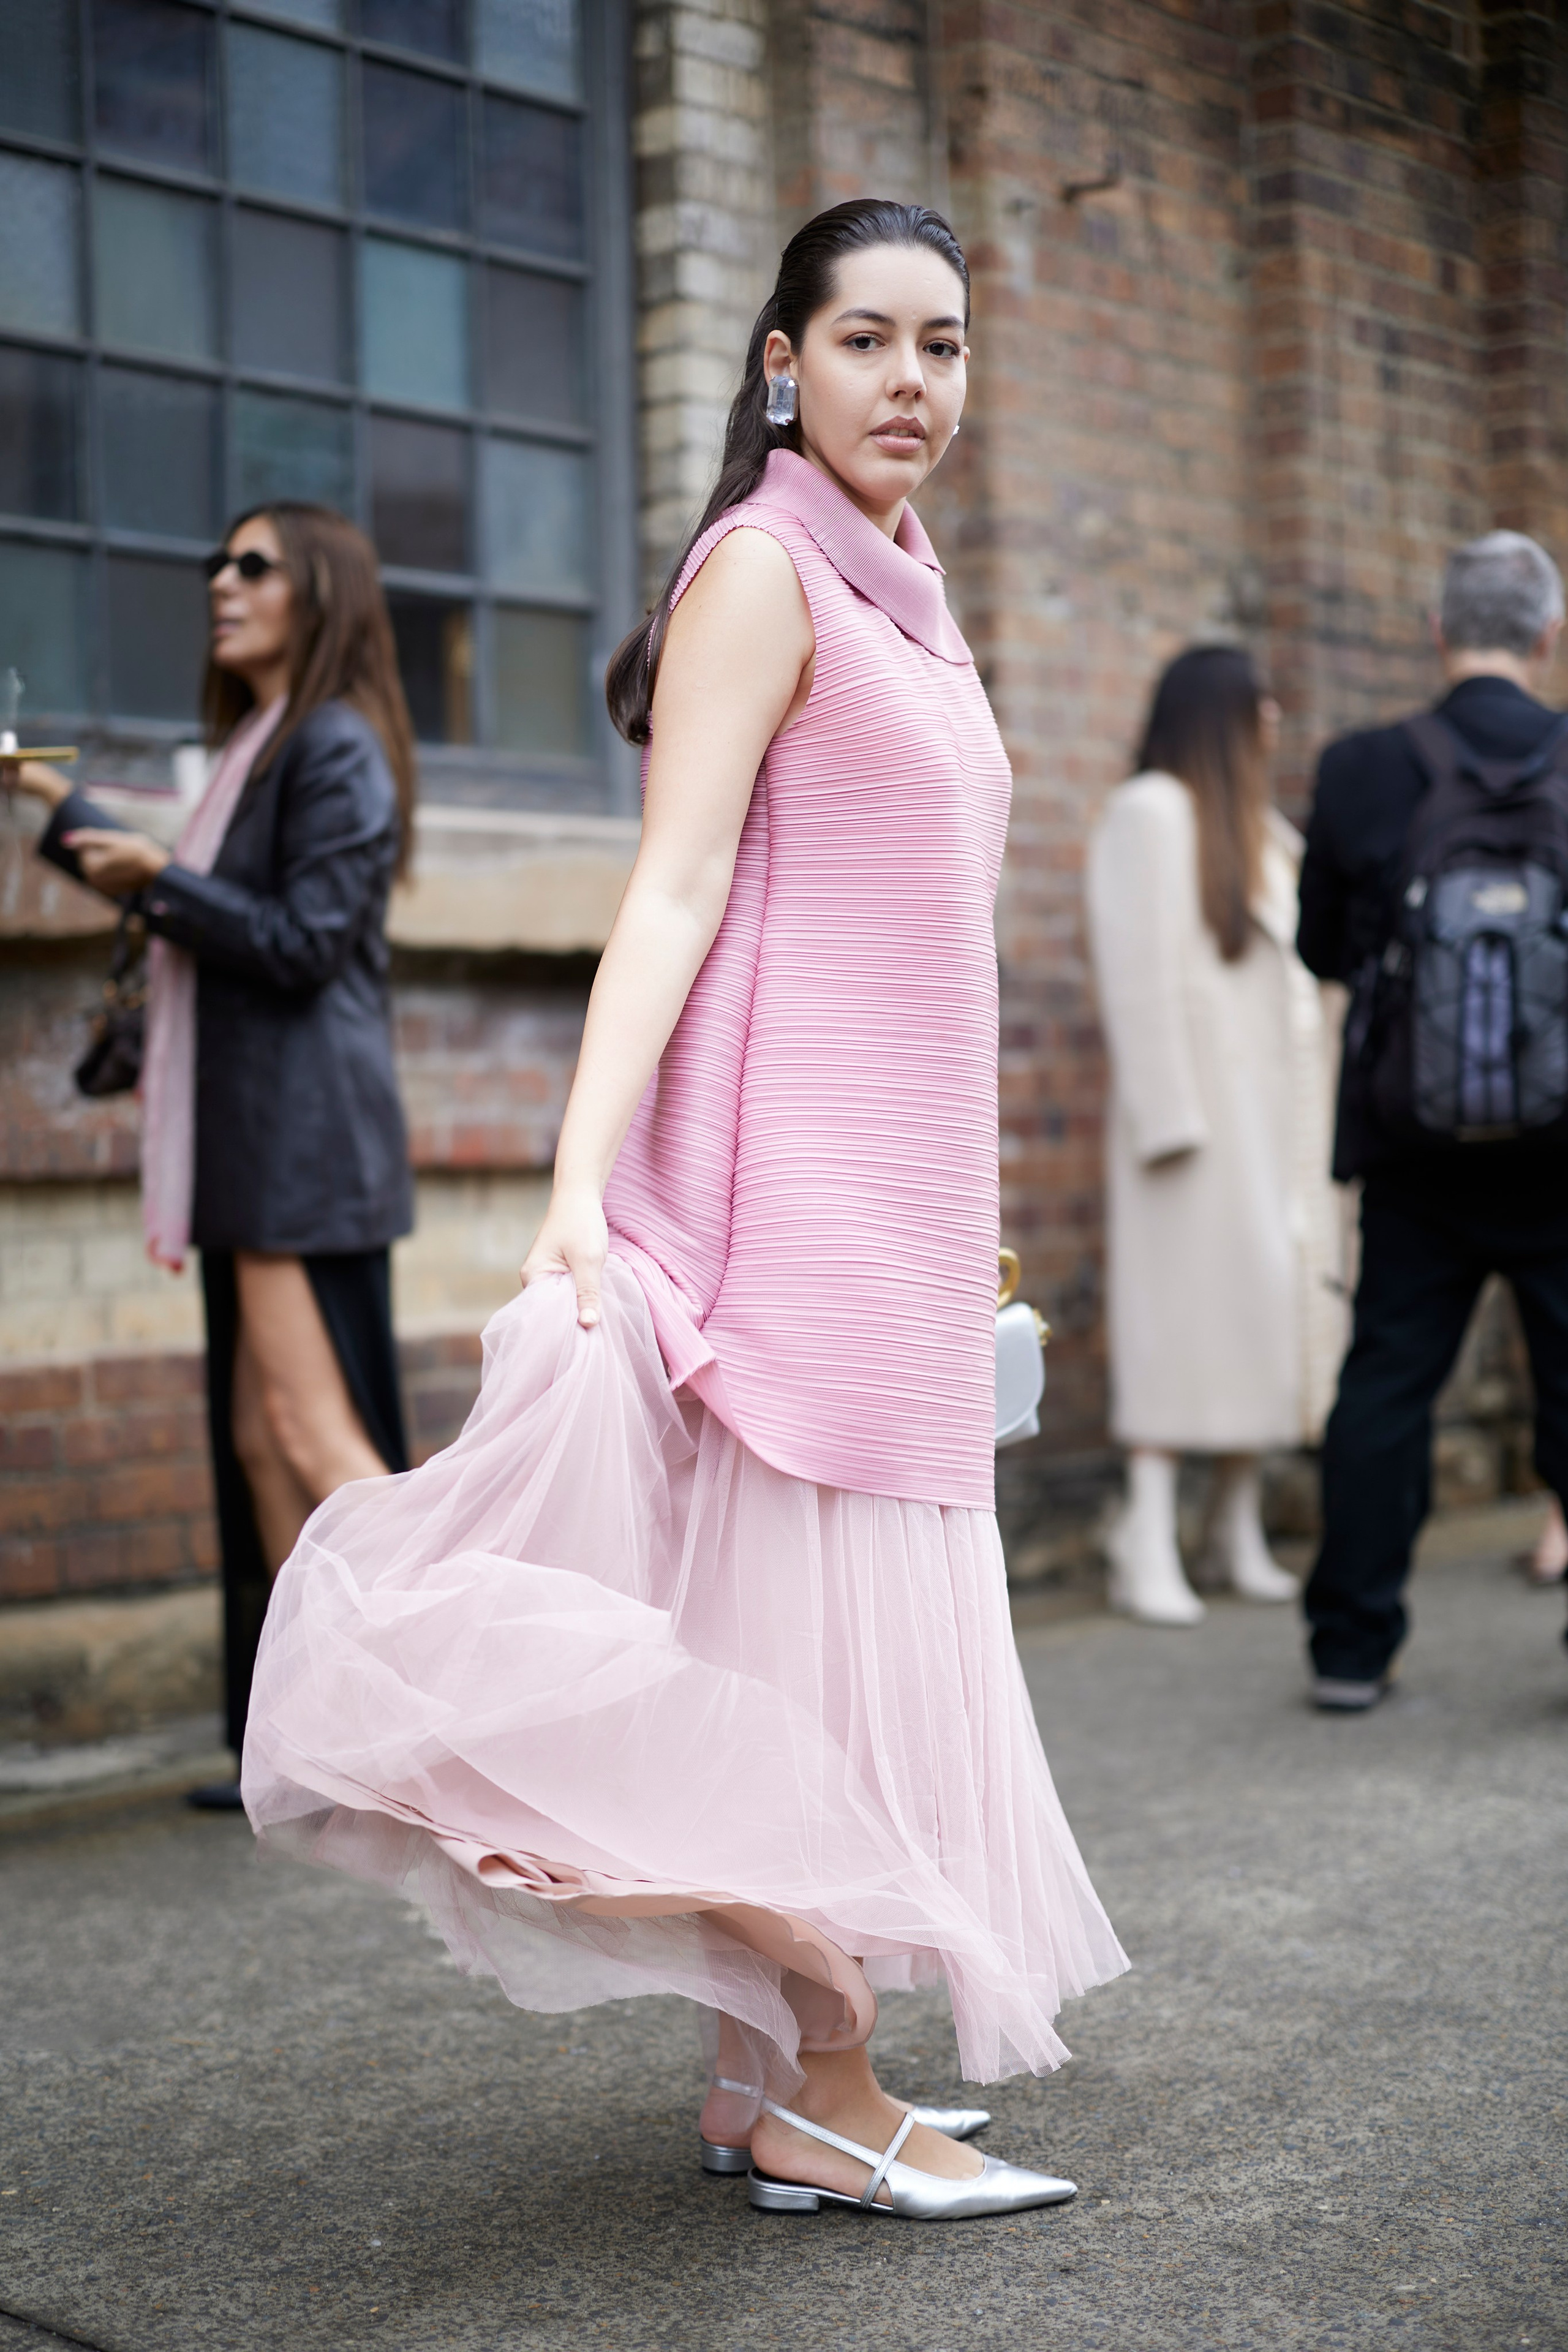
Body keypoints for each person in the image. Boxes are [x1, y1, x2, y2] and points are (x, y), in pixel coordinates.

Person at [239, 199, 1128, 2223]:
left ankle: (761, 2088)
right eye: (873, 342)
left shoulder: (906, 580)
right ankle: (828, 2089)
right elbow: (671, 889)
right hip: (789, 1205)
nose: (916, 382)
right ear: (782, 365)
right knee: (808, 1667)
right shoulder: (763, 567)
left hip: (900, 1202)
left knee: (830, 1642)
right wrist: (570, 1190)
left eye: (947, 347)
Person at [3, 503, 415, 1797]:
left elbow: (296, 937)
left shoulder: (336, 747)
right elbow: (188, 888)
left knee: (313, 1437)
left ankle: (455, 1712)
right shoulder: (255, 748)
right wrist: (44, 794)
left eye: (253, 567)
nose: (219, 585)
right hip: (253, 1138)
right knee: (254, 1440)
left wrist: (156, 886)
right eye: (214, 567)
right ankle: (311, 1742)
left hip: (299, 1141)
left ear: (321, 594)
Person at [1298, 529, 1568, 1708]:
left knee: (1389, 1386)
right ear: (1549, 639)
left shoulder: (1362, 767)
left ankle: (1354, 1649)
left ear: (1438, 632)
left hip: (1414, 1142)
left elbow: (1318, 946)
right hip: (1567, 1150)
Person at [1085, 646, 1345, 1626]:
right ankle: (1142, 1531)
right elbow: (1135, 975)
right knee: (1179, 1336)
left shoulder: (1262, 833)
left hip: (1272, 1132)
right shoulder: (1150, 812)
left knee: (1261, 1327)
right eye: (1258, 702)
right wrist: (1167, 1120)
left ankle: (1231, 1525)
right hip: (1190, 1135)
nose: (1274, 716)